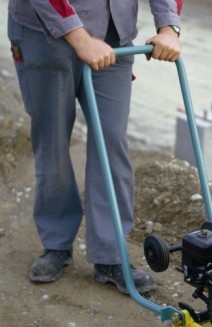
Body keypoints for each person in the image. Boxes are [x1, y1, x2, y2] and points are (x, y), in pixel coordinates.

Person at [7, 0, 183, 294]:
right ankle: (56, 244)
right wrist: (79, 38)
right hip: (44, 36)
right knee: (52, 144)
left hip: (114, 38)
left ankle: (111, 256)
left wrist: (168, 26)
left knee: (112, 144)